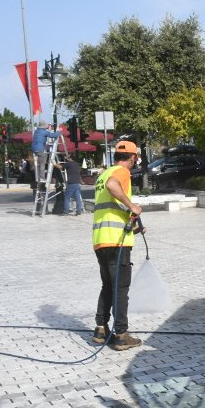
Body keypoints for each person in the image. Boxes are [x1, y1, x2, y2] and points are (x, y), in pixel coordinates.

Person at [92, 140, 144, 350]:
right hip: (116, 243)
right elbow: (113, 186)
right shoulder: (121, 172)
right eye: (136, 159)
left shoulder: (102, 173)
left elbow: (110, 207)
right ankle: (121, 334)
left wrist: (133, 226)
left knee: (108, 286)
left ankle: (100, 329)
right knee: (121, 288)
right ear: (133, 158)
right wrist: (132, 205)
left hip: (101, 240)